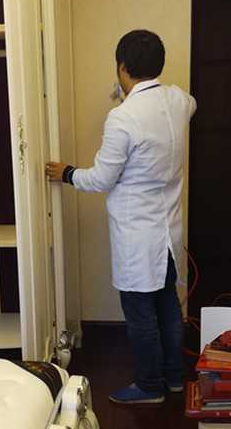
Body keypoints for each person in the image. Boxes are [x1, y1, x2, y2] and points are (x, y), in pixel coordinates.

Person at [46, 29, 197, 404]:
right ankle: (175, 379)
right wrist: (130, 93)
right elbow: (190, 104)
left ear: (122, 67)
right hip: (168, 231)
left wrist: (67, 173)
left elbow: (101, 178)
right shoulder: (179, 100)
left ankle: (148, 386)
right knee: (168, 305)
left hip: (137, 235)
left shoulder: (122, 117)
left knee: (141, 313)